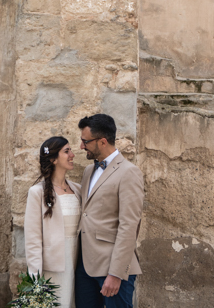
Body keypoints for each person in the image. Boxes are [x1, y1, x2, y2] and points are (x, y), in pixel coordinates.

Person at [75, 114, 144, 308]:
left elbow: (129, 225)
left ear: (102, 141)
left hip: (113, 268)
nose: (81, 146)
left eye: (85, 141)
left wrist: (116, 273)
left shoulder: (129, 172)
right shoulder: (89, 171)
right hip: (84, 267)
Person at [24, 136, 82, 308]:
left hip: (78, 262)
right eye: (67, 151)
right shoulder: (37, 192)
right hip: (53, 268)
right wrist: (35, 280)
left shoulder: (78, 189)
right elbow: (33, 240)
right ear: (53, 159)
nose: (72, 155)